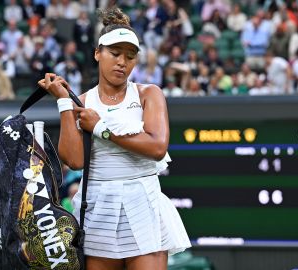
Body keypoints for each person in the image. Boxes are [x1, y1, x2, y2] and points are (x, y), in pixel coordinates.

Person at [38, 6, 190, 270]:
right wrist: (64, 102)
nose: (122, 61)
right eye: (115, 53)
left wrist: (101, 129)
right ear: (98, 53)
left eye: (130, 56)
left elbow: (156, 146)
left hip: (143, 205)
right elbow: (74, 161)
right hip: (99, 211)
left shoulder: (149, 94)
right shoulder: (82, 101)